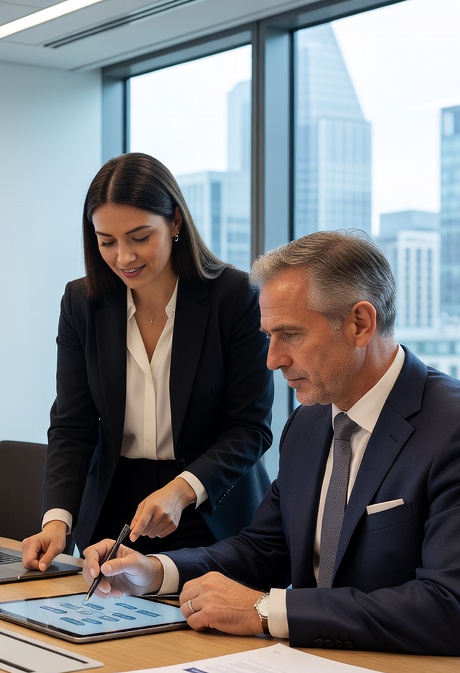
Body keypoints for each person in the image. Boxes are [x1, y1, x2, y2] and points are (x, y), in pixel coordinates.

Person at [84, 230, 460, 669]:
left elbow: (451, 613)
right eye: (269, 336)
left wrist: (266, 611)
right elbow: (264, 549)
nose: (273, 359)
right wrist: (155, 570)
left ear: (360, 323)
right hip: (326, 668)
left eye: (291, 335)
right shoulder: (308, 423)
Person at [22, 153, 273, 572]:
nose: (124, 257)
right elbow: (72, 423)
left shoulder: (235, 297)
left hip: (212, 506)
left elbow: (250, 428)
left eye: (139, 237)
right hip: (116, 515)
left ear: (175, 222)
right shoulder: (82, 304)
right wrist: (57, 520)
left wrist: (181, 490)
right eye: (107, 241)